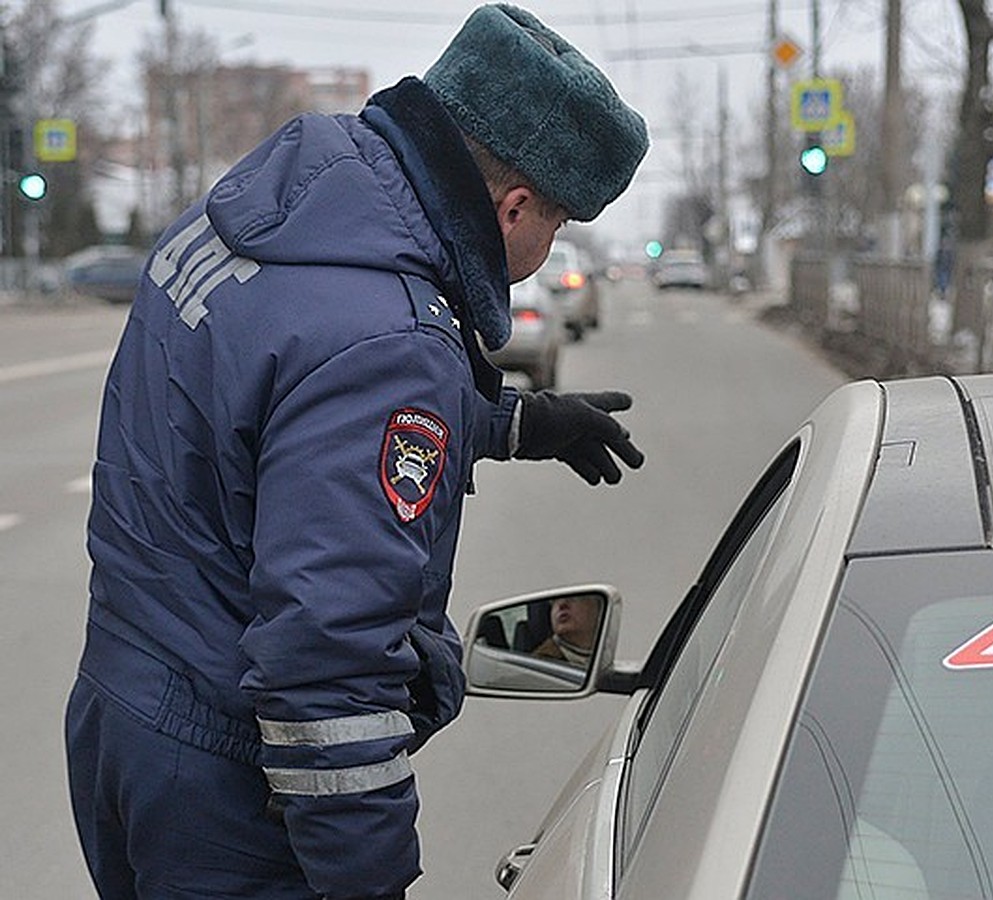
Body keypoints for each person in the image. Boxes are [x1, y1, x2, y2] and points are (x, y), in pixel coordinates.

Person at [63, 6, 649, 899]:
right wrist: (369, 878)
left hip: (127, 710)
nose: (546, 248)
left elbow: (281, 405)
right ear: (515, 205)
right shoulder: (387, 342)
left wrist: (514, 423)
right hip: (228, 791)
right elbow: (327, 673)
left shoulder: (297, 203)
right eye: (558, 225)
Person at [533, 596, 602, 666]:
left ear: (599, 609)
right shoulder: (541, 663)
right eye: (554, 601)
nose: (561, 604)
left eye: (574, 597)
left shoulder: (609, 654)